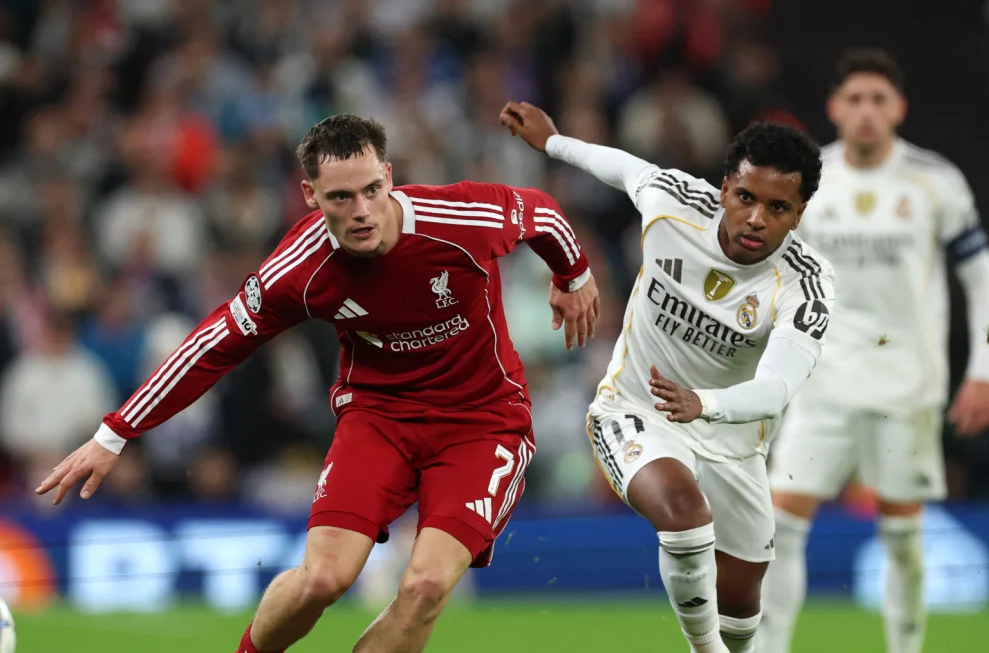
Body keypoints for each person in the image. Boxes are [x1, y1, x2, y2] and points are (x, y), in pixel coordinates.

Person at [36, 114, 600, 653]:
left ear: (390, 177)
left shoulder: (458, 217)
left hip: (482, 421)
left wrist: (573, 275)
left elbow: (544, 215)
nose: (362, 211)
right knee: (322, 580)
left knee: (425, 585)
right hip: (379, 417)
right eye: (340, 198)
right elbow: (213, 345)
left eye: (372, 190)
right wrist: (115, 434)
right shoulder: (301, 269)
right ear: (310, 196)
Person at [502, 101, 834, 653]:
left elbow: (775, 389)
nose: (755, 218)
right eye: (746, 197)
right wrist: (554, 142)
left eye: (777, 208)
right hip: (635, 410)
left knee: (743, 602)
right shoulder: (674, 201)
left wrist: (704, 403)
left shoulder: (806, 285)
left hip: (732, 441)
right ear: (725, 187)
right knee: (684, 516)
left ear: (798, 215)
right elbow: (619, 166)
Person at [757, 50, 989, 653]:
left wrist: (985, 367)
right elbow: (771, 277)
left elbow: (983, 279)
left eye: (878, 100)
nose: (866, 111)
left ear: (898, 108)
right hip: (823, 383)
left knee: (902, 535)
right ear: (834, 108)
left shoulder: (934, 181)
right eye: (855, 100)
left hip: (906, 385)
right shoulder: (806, 183)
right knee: (779, 529)